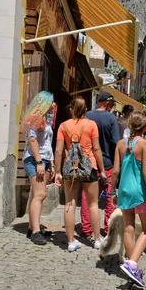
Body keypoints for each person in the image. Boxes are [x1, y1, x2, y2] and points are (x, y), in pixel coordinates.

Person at [109, 112, 146, 287]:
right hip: (139, 191)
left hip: (124, 190)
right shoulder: (145, 144)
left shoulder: (120, 144)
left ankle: (131, 268)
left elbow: (115, 171)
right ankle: (132, 263)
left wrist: (112, 191)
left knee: (128, 229)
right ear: (145, 127)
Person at [54, 97, 108, 252]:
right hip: (89, 166)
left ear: (71, 109)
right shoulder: (91, 125)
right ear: (85, 110)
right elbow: (97, 149)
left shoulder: (63, 126)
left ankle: (71, 241)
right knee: (93, 204)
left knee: (70, 203)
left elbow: (58, 151)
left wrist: (58, 171)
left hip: (70, 168)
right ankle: (97, 239)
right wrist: (102, 169)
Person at [80, 91, 121, 240]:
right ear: (106, 103)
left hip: (88, 163)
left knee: (87, 197)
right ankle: (108, 227)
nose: (111, 107)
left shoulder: (86, 116)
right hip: (107, 162)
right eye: (111, 104)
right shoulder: (111, 118)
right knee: (110, 196)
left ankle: (87, 229)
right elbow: (116, 142)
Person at [21, 91, 56, 245]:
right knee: (40, 195)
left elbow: (47, 144)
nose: (54, 105)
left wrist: (52, 163)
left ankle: (32, 227)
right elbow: (33, 141)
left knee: (38, 194)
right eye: (52, 102)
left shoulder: (45, 119)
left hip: (45, 160)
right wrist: (39, 162)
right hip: (35, 160)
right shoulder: (34, 119)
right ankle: (35, 232)